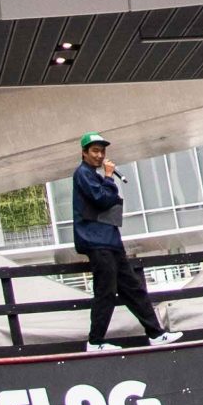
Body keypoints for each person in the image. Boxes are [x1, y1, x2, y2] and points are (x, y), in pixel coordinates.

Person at [71, 134, 180, 351]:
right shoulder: (82, 173)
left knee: (132, 288)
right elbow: (102, 199)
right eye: (95, 151)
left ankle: (156, 333)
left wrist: (106, 179)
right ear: (84, 153)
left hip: (110, 241)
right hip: (97, 241)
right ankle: (95, 341)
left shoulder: (93, 174)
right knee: (106, 291)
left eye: (102, 151)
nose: (100, 155)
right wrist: (109, 177)